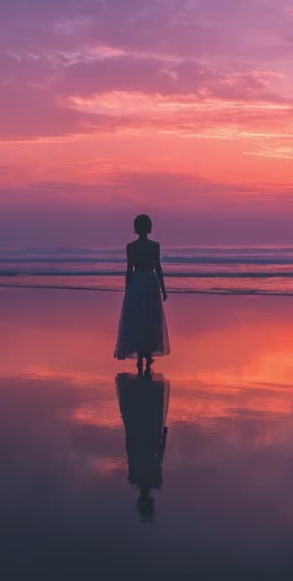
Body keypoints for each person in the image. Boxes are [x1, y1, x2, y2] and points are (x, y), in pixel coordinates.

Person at [114, 214, 170, 373]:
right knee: (150, 319)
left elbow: (129, 270)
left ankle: (141, 356)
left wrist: (127, 290)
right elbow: (158, 269)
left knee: (138, 319)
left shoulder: (131, 247)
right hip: (150, 283)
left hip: (137, 282)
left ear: (136, 228)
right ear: (149, 227)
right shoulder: (154, 246)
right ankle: (146, 355)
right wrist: (163, 289)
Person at [116, 372, 169, 522]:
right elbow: (158, 457)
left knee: (143, 410)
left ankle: (143, 376)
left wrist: (164, 436)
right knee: (145, 410)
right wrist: (164, 436)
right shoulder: (142, 479)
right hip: (146, 436)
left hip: (142, 436)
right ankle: (143, 376)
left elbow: (133, 454)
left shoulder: (139, 479)